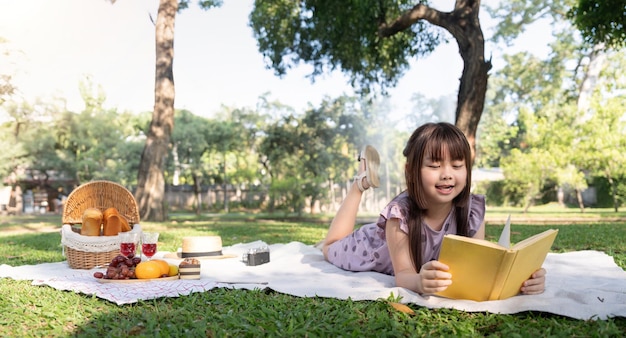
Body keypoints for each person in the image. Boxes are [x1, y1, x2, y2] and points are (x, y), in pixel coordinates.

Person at [321, 122, 546, 296]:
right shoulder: (400, 215)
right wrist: (418, 282)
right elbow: (403, 275)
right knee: (328, 248)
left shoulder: (472, 210)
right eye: (435, 165)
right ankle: (360, 184)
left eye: (457, 165)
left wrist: (524, 279)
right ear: (411, 170)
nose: (447, 173)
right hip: (370, 247)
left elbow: (480, 265)